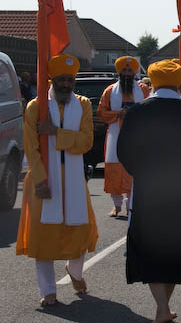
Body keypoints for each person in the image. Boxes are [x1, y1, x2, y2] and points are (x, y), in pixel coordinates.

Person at [117, 59, 181, 323]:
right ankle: (163, 309)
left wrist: (142, 172)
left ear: (153, 81)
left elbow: (124, 151)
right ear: (180, 82)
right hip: (179, 189)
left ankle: (161, 308)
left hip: (147, 188)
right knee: (174, 250)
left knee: (149, 248)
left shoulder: (136, 112)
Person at [16, 54, 98, 306]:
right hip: (44, 176)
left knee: (81, 230)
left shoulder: (83, 104)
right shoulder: (35, 107)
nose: (66, 85)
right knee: (44, 236)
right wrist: (40, 180)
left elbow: (86, 141)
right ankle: (48, 290)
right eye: (61, 80)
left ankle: (74, 270)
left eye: (70, 80)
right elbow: (31, 148)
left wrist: (56, 132)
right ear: (51, 79)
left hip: (74, 176)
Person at [97, 56, 150, 217]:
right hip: (115, 136)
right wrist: (117, 113)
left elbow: (150, 110)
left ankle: (131, 204)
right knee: (114, 169)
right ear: (119, 72)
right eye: (124, 70)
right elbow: (101, 113)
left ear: (134, 72)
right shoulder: (109, 90)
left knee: (135, 169)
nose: (127, 73)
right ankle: (117, 205)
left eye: (130, 70)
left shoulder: (143, 89)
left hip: (137, 137)